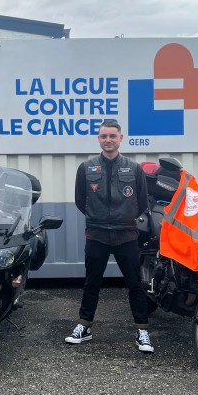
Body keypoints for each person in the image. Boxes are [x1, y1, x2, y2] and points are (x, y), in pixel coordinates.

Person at [65, 119, 153, 353]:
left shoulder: (134, 169)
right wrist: (98, 217)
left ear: (120, 138)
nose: (108, 140)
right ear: (99, 139)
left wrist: (124, 218)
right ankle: (84, 326)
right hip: (97, 235)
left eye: (112, 136)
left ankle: (142, 330)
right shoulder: (86, 168)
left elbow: (142, 201)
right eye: (104, 136)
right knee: (91, 283)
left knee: (135, 284)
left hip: (127, 235)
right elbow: (80, 200)